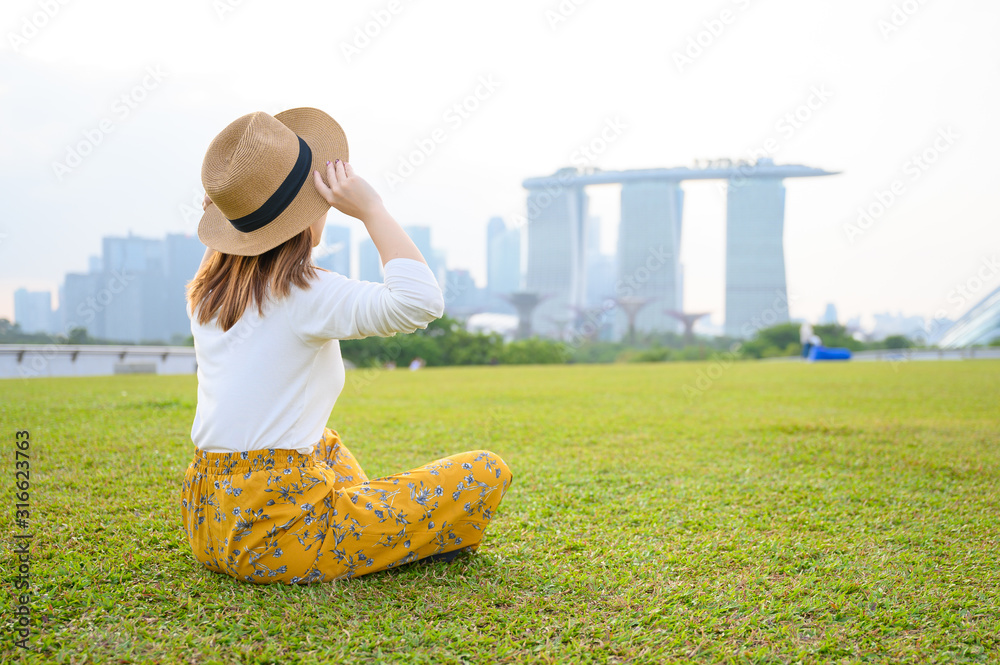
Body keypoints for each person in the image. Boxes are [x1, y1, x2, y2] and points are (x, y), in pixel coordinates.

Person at [179, 108, 513, 584]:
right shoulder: (305, 291)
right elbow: (420, 302)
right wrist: (372, 209)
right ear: (309, 213)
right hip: (278, 539)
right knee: (486, 472)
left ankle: (371, 522)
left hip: (211, 524)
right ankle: (391, 535)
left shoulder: (208, 292)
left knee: (323, 442)